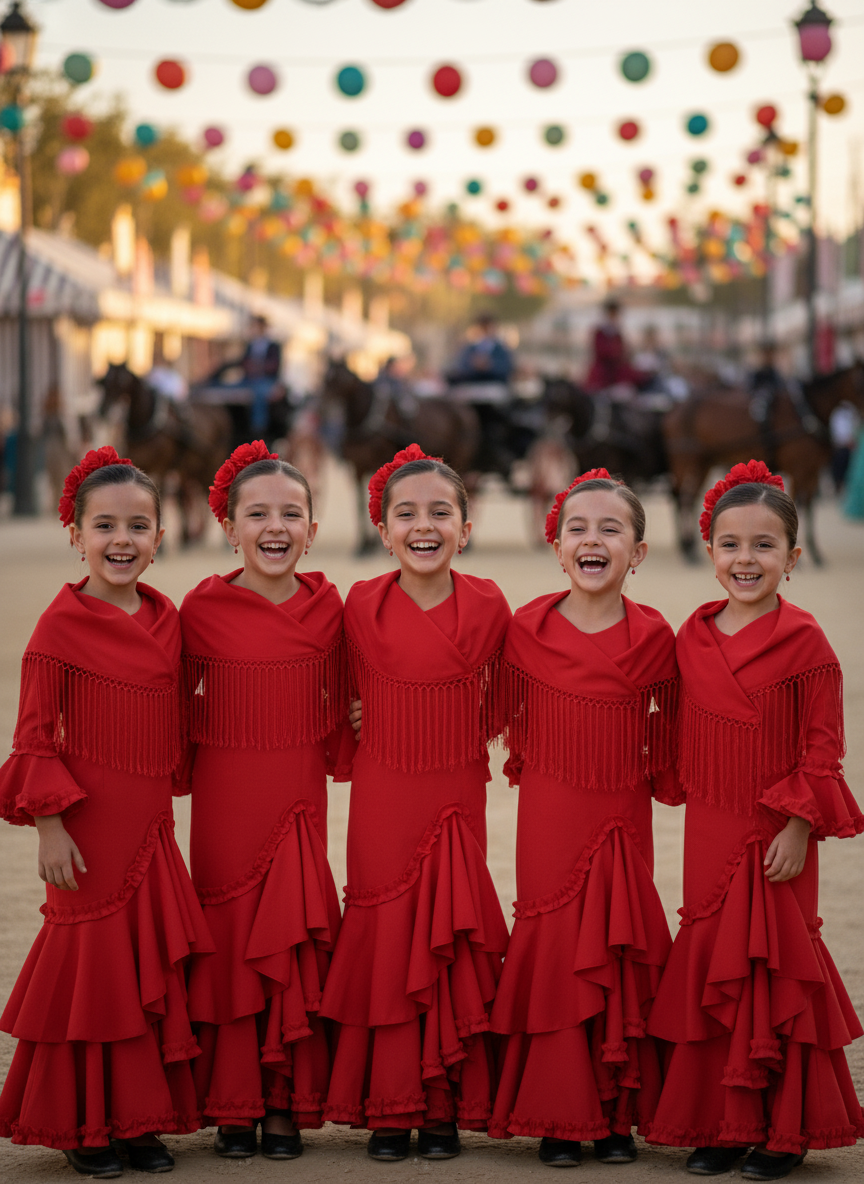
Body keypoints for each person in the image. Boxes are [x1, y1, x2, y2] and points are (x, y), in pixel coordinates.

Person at [646, 460, 864, 1180]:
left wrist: (801, 826)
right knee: (714, 964)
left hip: (776, 836)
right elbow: (665, 720)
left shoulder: (807, 644)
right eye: (732, 545)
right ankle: (721, 1123)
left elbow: (823, 749)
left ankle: (783, 1129)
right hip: (711, 828)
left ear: (793, 559)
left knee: (776, 966)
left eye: (765, 546)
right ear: (710, 552)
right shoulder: (691, 636)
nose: (747, 559)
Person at [0, 447, 213, 1179]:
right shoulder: (57, 629)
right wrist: (51, 828)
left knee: (141, 972)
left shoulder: (167, 620)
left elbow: (189, 712)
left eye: (139, 526)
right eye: (105, 526)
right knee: (92, 974)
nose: (122, 540)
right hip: (86, 836)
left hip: (151, 829)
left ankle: (138, 1121)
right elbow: (33, 739)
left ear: (160, 536)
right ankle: (84, 1124)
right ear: (76, 534)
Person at [319, 444, 511, 1162]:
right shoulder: (359, 603)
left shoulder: (492, 604)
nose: (423, 525)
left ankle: (443, 1107)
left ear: (465, 526)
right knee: (386, 931)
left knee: (447, 932)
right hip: (382, 796)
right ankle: (388, 1107)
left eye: (440, 512)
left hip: (454, 795)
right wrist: (370, 715)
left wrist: (465, 720)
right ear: (383, 527)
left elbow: (516, 691)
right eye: (406, 513)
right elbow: (334, 690)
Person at [488, 469, 681, 1168]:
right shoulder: (524, 629)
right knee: (554, 941)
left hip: (620, 818)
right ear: (556, 543)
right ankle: (556, 1111)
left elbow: (678, 732)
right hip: (548, 814)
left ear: (638, 551)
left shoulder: (659, 638)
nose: (592, 539)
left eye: (610, 529)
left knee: (617, 942)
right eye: (577, 528)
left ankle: (615, 1109)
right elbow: (480, 708)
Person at [179, 442, 350, 1161]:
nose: (274, 527)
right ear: (228, 525)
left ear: (312, 529)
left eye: (292, 513)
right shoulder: (200, 607)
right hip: (224, 799)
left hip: (295, 799)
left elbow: (352, 692)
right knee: (226, 942)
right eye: (257, 514)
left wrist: (368, 718)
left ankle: (283, 1100)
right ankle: (232, 1101)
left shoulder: (330, 606)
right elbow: (169, 703)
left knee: (290, 936)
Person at [448, 313, 515, 472]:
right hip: (471, 392)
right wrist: (474, 367)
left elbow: (507, 369)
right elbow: (461, 369)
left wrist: (489, 367)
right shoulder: (469, 349)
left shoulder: (501, 349)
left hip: (493, 392)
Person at [585, 301, 644, 394]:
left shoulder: (617, 333)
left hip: (617, 370)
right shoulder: (600, 332)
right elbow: (602, 351)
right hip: (603, 372)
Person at [242, 316, 282, 436]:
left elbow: (274, 366)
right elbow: (244, 363)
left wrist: (258, 367)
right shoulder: (250, 345)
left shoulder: (273, 346)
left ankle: (259, 428)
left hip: (266, 381)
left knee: (259, 395)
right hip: (250, 380)